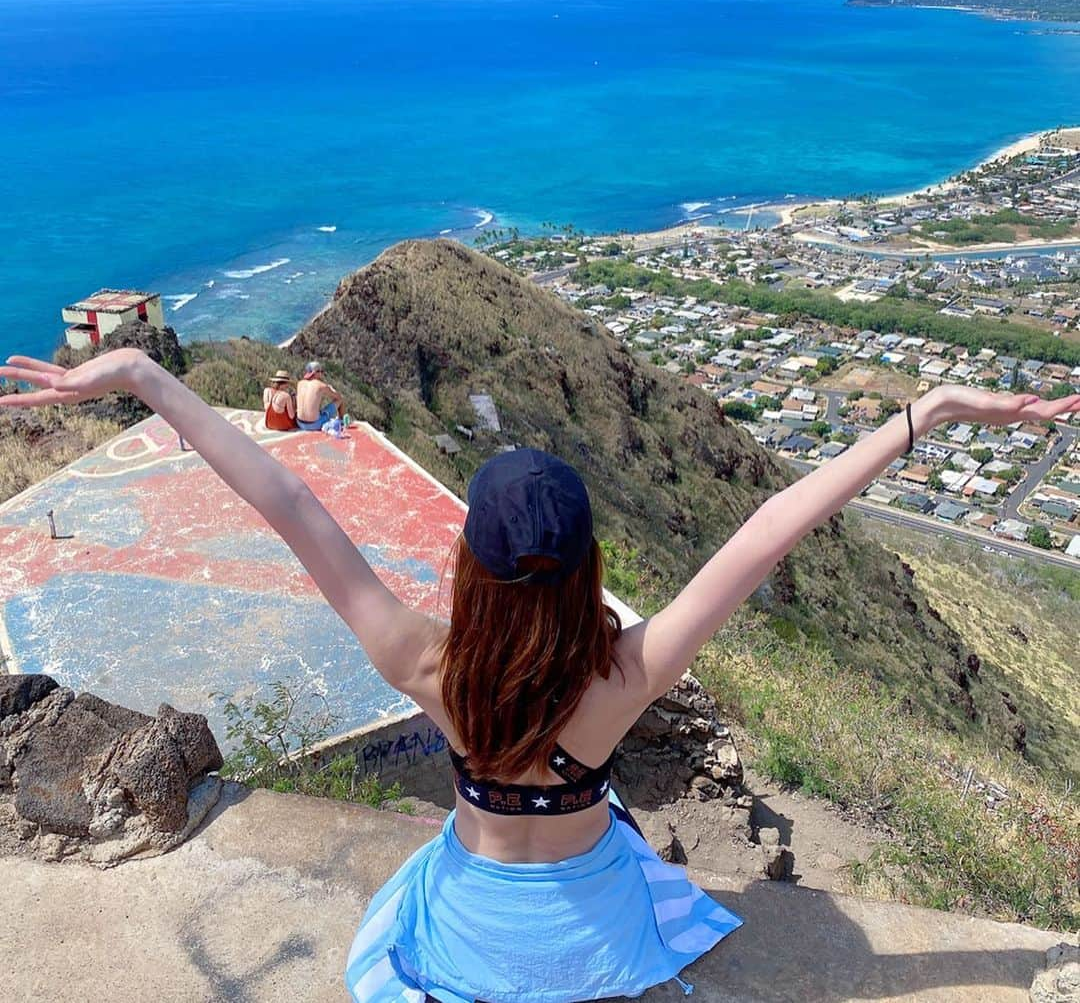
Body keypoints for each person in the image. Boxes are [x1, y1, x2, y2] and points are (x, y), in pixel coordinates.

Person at [2, 347, 1075, 1002]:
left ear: (473, 561)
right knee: (629, 856)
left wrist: (143, 377)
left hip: (472, 937)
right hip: (597, 942)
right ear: (588, 570)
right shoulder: (629, 671)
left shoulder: (423, 661)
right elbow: (771, 527)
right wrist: (922, 415)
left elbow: (285, 502)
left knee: (424, 880)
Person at [296, 359, 344, 432]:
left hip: (299, 423)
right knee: (340, 400)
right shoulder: (321, 385)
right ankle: (342, 421)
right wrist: (332, 389)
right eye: (321, 371)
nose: (322, 373)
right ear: (316, 372)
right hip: (314, 425)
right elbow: (338, 397)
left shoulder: (300, 383)